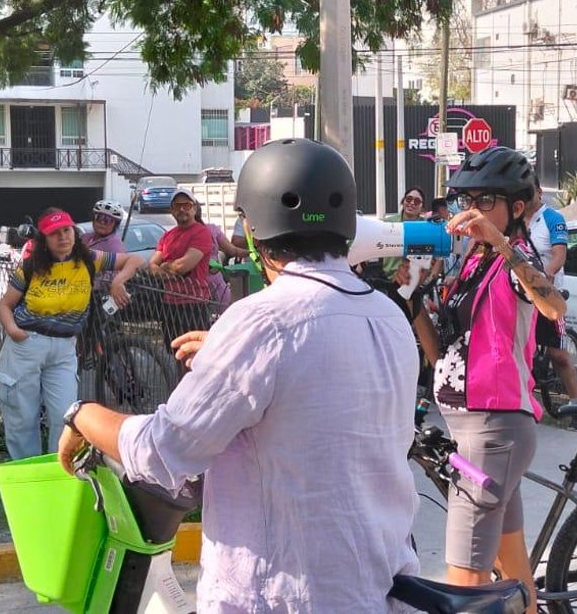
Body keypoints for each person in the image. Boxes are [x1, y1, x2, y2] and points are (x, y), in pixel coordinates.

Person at [56, 138, 421, 613]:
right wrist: (228, 354)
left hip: (284, 596)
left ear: (252, 230)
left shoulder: (261, 321)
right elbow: (318, 390)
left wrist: (82, 414)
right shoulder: (387, 316)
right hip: (378, 587)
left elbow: (166, 449)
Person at [431, 146, 564, 612]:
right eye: (465, 200)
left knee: (465, 585)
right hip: (473, 430)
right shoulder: (471, 261)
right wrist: (408, 292)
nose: (472, 210)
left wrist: (503, 244)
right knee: (513, 571)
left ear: (517, 207)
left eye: (485, 200)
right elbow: (444, 350)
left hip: (493, 431)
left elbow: (553, 306)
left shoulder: (514, 260)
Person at [0, 208, 144, 459]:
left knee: (64, 415)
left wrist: (119, 281)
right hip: (27, 345)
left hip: (65, 348)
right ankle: (27, 469)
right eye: (54, 233)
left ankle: (58, 467)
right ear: (44, 239)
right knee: (22, 415)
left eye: (67, 230)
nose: (63, 237)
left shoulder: (89, 259)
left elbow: (135, 260)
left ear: (74, 232)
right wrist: (13, 330)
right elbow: (5, 305)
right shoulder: (30, 267)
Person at [525, 183, 577, 423]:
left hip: (548, 295)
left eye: (529, 191)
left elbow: (559, 255)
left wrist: (546, 275)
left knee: (558, 355)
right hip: (521, 296)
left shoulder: (552, 218)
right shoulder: (514, 218)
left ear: (539, 192)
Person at [148, 189, 215, 343]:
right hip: (169, 303)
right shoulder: (167, 236)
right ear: (172, 210)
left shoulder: (202, 233)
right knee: (173, 349)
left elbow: (183, 266)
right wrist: (167, 269)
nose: (182, 209)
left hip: (193, 303)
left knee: (195, 351)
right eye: (177, 206)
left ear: (194, 208)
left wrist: (164, 266)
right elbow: (152, 265)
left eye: (187, 205)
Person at [194, 203, 248, 312]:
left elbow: (232, 250)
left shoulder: (211, 229)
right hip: (205, 281)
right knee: (228, 311)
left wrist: (251, 252)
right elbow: (232, 250)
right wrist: (250, 252)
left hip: (201, 281)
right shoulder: (211, 229)